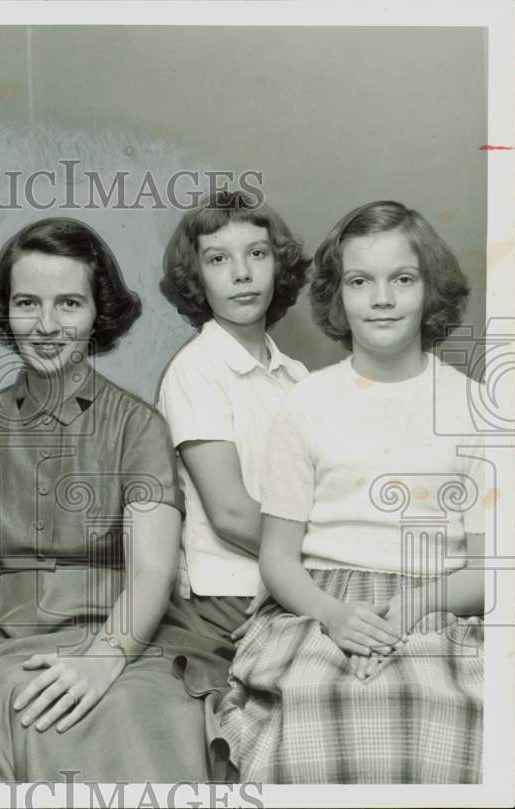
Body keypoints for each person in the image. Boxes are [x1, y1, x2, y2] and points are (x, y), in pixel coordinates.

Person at [216, 200, 485, 783]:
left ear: (430, 290)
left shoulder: (475, 408)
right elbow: (278, 556)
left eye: (402, 280)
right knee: (317, 705)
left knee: (437, 714)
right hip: (321, 603)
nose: (382, 299)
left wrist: (415, 606)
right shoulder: (308, 403)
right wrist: (334, 615)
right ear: (339, 296)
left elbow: (492, 569)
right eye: (361, 282)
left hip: (439, 601)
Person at [0, 217, 225, 783]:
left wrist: (103, 658)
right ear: (6, 312)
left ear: (99, 312)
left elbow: (152, 571)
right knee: (43, 712)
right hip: (16, 642)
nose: (47, 326)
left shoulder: (137, 425)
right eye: (27, 303)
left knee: (139, 712)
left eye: (69, 304)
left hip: (132, 636)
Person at [155, 193, 309, 769]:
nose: (242, 273)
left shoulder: (296, 375)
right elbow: (232, 514)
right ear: (196, 277)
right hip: (233, 592)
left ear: (279, 265)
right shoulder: (197, 370)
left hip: (288, 575)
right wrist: (325, 561)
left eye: (258, 254)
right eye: (218, 260)